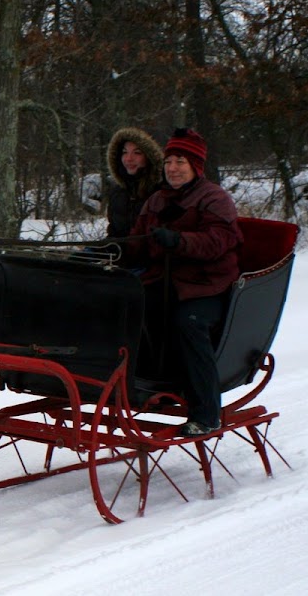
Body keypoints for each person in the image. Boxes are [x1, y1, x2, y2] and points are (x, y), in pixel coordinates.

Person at [122, 128, 242, 437]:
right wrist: (114, 247)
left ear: (195, 166)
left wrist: (179, 241)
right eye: (169, 162)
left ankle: (206, 413)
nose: (173, 168)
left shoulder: (215, 198)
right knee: (122, 307)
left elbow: (220, 241)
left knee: (188, 323)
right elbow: (138, 242)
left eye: (180, 161)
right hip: (163, 282)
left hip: (207, 285)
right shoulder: (156, 200)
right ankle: (139, 383)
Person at [103, 127, 163, 239]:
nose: (129, 159)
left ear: (149, 157)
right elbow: (114, 236)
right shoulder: (118, 193)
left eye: (137, 153)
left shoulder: (162, 193)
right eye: (124, 152)